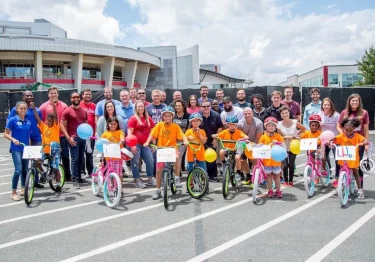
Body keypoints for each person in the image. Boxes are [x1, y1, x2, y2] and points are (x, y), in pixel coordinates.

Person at [143, 106, 188, 200]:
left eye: (169, 116)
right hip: (162, 149)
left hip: (172, 148)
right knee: (159, 170)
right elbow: (152, 134)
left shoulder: (175, 126)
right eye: (165, 116)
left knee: (176, 157)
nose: (167, 117)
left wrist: (185, 140)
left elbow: (182, 135)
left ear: (172, 116)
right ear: (163, 116)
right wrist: (147, 142)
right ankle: (158, 190)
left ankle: (176, 177)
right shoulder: (159, 125)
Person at [7, 91, 44, 188]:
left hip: (36, 139)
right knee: (22, 167)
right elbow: (10, 122)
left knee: (36, 161)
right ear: (23, 97)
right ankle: (23, 186)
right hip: (23, 140)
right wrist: (13, 138)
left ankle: (35, 181)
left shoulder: (37, 110)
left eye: (31, 95)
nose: (29, 97)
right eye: (27, 95)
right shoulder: (16, 109)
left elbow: (41, 123)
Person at [337, 93, 369, 188]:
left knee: (357, 166)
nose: (354, 102)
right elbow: (338, 126)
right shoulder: (344, 112)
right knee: (341, 161)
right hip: (346, 141)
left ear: (359, 102)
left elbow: (366, 129)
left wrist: (366, 143)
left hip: (358, 143)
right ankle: (342, 182)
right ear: (349, 102)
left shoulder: (364, 113)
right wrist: (342, 134)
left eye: (356, 101)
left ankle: (360, 188)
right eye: (352, 100)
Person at [331, 118, 367, 200]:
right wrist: (329, 141)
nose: (348, 132)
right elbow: (334, 138)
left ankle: (360, 190)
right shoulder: (342, 135)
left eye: (350, 130)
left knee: (355, 172)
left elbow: (363, 139)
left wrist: (364, 142)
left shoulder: (357, 136)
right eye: (346, 130)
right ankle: (341, 185)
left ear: (354, 129)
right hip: (344, 157)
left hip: (353, 158)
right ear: (343, 128)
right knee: (341, 170)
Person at [39, 87, 70, 180]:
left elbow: (66, 121)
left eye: (55, 93)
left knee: (65, 156)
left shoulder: (64, 105)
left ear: (58, 94)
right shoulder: (43, 106)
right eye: (51, 93)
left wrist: (67, 134)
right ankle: (52, 175)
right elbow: (42, 122)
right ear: (48, 95)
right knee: (50, 157)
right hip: (50, 137)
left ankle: (67, 176)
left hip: (61, 136)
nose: (53, 95)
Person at [31, 100, 62, 192]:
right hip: (45, 150)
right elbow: (37, 117)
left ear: (54, 121)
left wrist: (53, 106)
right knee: (36, 161)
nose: (49, 122)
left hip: (55, 150)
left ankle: (58, 184)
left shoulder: (56, 126)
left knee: (55, 168)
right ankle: (43, 173)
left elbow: (56, 116)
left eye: (51, 120)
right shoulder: (43, 126)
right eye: (48, 120)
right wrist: (33, 108)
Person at [60, 92, 88, 189]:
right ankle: (75, 179)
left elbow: (86, 125)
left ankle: (79, 177)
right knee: (75, 159)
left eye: (77, 97)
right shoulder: (67, 111)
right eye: (73, 97)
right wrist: (68, 138)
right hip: (73, 138)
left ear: (79, 98)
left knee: (81, 158)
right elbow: (62, 125)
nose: (76, 98)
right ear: (71, 99)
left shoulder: (84, 111)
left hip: (82, 138)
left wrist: (87, 135)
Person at [4, 102, 31, 201]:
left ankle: (23, 189)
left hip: (25, 149)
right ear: (17, 109)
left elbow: (28, 136)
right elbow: (5, 134)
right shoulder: (12, 120)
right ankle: (14, 192)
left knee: (25, 170)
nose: (23, 110)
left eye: (25, 108)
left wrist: (30, 148)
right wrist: (13, 139)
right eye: (21, 108)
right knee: (18, 170)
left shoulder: (28, 122)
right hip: (16, 149)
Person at [127, 100, 155, 188]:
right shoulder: (133, 118)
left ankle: (150, 179)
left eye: (142, 106)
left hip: (146, 144)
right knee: (135, 162)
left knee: (150, 161)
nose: (140, 108)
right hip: (136, 144)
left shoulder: (148, 118)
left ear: (144, 107)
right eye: (138, 107)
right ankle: (137, 180)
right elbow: (129, 133)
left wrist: (153, 144)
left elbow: (152, 133)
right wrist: (132, 146)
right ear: (136, 108)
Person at [277, 106, 305, 186]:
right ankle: (286, 180)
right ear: (281, 115)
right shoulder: (279, 124)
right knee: (285, 165)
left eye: (286, 112)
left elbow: (303, 128)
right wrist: (288, 137)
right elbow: (279, 137)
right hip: (284, 145)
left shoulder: (295, 122)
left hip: (294, 145)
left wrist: (297, 134)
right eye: (283, 113)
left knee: (291, 164)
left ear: (289, 113)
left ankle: (291, 180)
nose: (285, 114)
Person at [259, 117, 285, 198]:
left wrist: (278, 143)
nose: (270, 127)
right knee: (268, 176)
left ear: (275, 127)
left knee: (277, 176)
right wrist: (268, 145)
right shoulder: (263, 137)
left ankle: (278, 190)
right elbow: (260, 146)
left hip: (276, 161)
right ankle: (270, 190)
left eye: (272, 126)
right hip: (267, 161)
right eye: (269, 126)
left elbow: (283, 146)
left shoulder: (278, 136)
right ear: (266, 127)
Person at [238, 107, 263, 185]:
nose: (247, 115)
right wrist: (245, 143)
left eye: (249, 113)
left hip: (254, 143)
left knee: (254, 160)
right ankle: (248, 176)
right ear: (243, 115)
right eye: (245, 114)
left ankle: (255, 178)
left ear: (252, 113)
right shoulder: (240, 123)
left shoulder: (258, 123)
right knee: (242, 160)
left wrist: (256, 147)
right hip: (243, 143)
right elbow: (239, 136)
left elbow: (259, 137)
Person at [101, 116, 125, 197]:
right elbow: (101, 145)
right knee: (110, 172)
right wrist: (102, 156)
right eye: (111, 124)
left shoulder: (120, 132)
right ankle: (112, 186)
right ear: (108, 124)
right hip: (109, 157)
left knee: (119, 173)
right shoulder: (105, 134)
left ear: (117, 124)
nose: (113, 125)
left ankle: (119, 188)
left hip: (118, 156)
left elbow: (122, 138)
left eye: (115, 124)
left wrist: (121, 141)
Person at [319, 98, 340, 187]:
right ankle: (323, 171)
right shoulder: (320, 114)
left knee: (337, 159)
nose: (326, 106)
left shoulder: (336, 115)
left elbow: (339, 127)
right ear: (322, 106)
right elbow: (319, 128)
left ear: (331, 105)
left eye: (328, 104)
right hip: (324, 139)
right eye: (325, 105)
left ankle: (337, 179)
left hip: (335, 139)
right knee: (321, 156)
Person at [200, 100, 223, 181]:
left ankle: (212, 176)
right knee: (201, 159)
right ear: (201, 107)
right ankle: (203, 175)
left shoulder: (216, 115)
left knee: (211, 158)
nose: (206, 108)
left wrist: (216, 139)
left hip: (212, 140)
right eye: (204, 106)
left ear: (210, 106)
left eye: (207, 106)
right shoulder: (198, 116)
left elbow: (220, 127)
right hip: (200, 140)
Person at [80, 89, 96, 177]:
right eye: (86, 94)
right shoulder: (79, 105)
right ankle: (82, 171)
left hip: (91, 134)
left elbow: (96, 120)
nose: (88, 96)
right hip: (81, 134)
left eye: (89, 94)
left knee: (90, 154)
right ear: (82, 95)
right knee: (81, 154)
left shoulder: (94, 106)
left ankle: (90, 172)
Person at [173, 99, 190, 178]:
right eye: (176, 106)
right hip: (173, 140)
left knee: (178, 156)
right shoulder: (172, 116)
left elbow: (189, 128)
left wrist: (186, 137)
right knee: (174, 157)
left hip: (183, 140)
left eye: (179, 106)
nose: (177, 107)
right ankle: (177, 172)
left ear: (183, 107)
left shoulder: (188, 116)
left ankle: (177, 175)